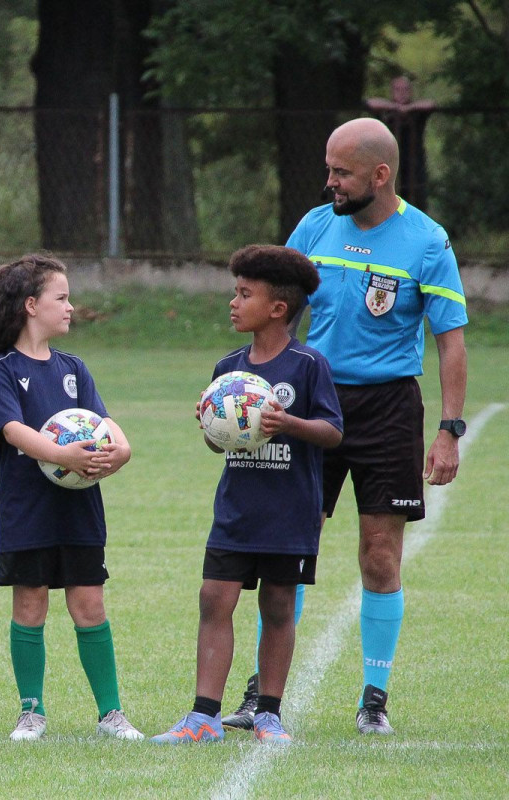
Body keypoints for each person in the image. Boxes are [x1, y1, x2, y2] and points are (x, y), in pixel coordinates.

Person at [223, 117, 468, 735]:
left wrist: (448, 429)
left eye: (342, 172)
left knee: (379, 556)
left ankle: (373, 699)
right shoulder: (314, 226)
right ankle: (260, 692)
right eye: (328, 169)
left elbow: (451, 343)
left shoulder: (427, 242)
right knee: (287, 548)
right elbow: (274, 310)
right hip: (311, 402)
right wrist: (246, 392)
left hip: (388, 409)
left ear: (380, 176)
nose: (329, 182)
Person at [150, 246, 342, 746]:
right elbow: (219, 444)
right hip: (237, 510)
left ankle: (269, 714)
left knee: (278, 605)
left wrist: (289, 423)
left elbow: (332, 432)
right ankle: (203, 716)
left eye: (244, 294)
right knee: (215, 598)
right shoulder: (228, 368)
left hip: (289, 512)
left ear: (278, 308)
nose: (233, 302)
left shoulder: (307, 365)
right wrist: (211, 426)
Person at [0, 254, 144, 743]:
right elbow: (14, 430)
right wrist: (63, 452)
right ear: (30, 306)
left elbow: (103, 423)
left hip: (80, 508)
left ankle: (111, 714)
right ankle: (32, 712)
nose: (70, 307)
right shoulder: (1, 369)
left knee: (90, 606)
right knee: (31, 605)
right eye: (61, 298)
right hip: (28, 510)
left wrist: (120, 449)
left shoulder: (74, 368)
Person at [365, 76, 437, 211]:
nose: (402, 93)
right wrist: (395, 107)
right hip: (390, 168)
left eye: (405, 89)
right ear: (392, 92)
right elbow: (370, 103)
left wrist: (408, 108)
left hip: (414, 167)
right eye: (397, 89)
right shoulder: (386, 113)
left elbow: (431, 104)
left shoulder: (417, 113)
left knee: (416, 206)